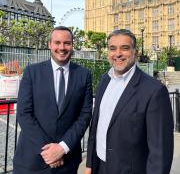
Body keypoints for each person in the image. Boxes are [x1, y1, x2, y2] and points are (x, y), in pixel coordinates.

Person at [84, 29, 174, 174]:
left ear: (135, 53)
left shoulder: (154, 90)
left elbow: (160, 152)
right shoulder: (104, 80)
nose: (118, 53)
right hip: (99, 167)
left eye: (124, 48)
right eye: (112, 48)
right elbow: (96, 126)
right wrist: (90, 163)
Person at [13, 26, 93, 174]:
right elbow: (24, 113)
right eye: (57, 42)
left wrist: (62, 148)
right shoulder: (32, 72)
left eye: (67, 43)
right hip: (32, 160)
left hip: (67, 162)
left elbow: (85, 115)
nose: (61, 47)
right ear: (50, 44)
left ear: (72, 45)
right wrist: (50, 152)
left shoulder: (84, 75)